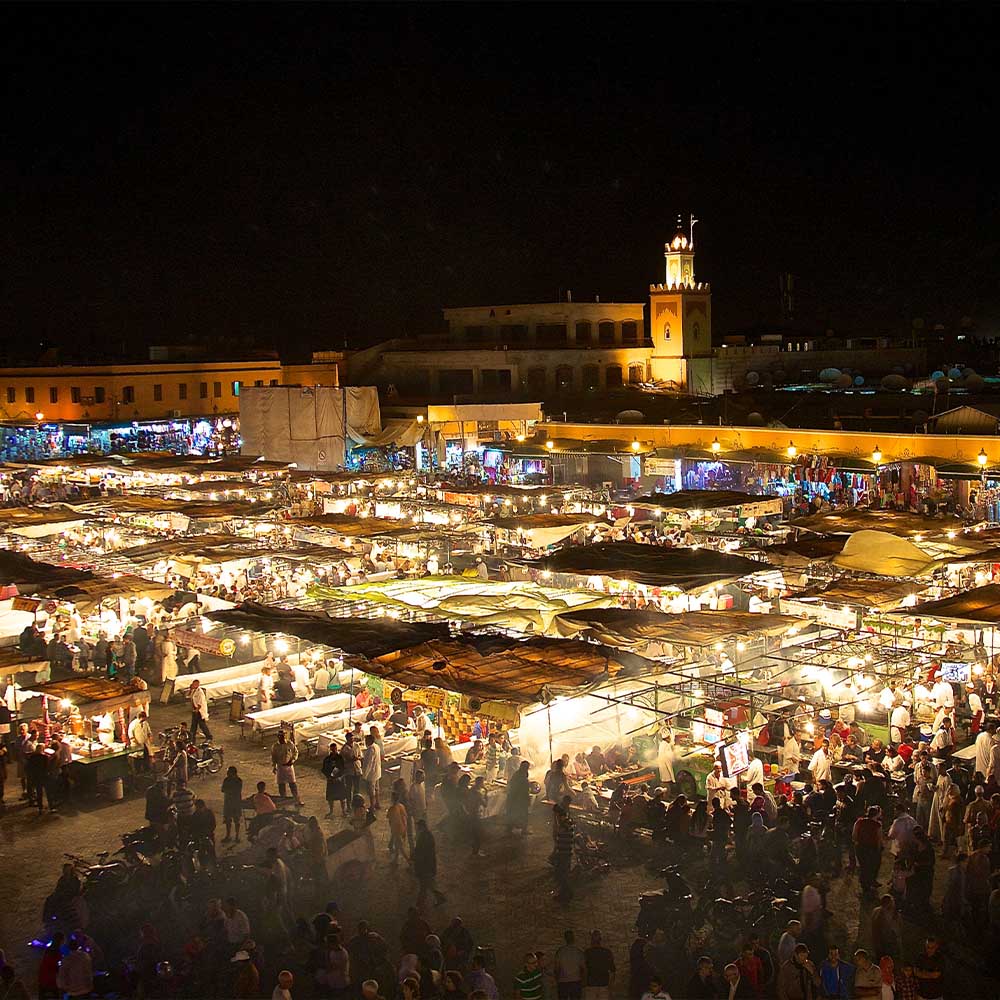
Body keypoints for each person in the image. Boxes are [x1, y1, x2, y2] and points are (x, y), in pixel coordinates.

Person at [413, 818, 445, 908]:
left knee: (424, 887)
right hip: (429, 865)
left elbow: (420, 853)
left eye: (418, 826)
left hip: (424, 867)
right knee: (429, 885)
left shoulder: (423, 837)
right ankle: (439, 898)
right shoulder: (428, 835)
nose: (417, 827)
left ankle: (418, 907)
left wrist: (416, 861)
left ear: (421, 827)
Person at [853, 806, 883, 894]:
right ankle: (870, 883)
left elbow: (854, 835)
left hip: (860, 848)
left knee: (863, 866)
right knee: (872, 866)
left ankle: (864, 885)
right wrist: (879, 850)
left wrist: (856, 843)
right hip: (871, 848)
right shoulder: (877, 825)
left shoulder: (859, 822)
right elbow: (879, 839)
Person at [271, 729, 302, 804]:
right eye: (281, 736)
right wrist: (274, 766)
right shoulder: (275, 746)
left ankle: (297, 800)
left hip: (289, 766)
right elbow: (273, 757)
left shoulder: (289, 744)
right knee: (281, 785)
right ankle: (283, 800)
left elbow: (296, 752)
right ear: (278, 736)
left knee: (293, 784)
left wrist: (293, 760)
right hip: (280, 767)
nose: (282, 737)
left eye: (284, 735)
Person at [554, 930, 586, 1000]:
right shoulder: (578, 951)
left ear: (565, 938)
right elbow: (584, 968)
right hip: (576, 981)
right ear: (573, 938)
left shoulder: (560, 952)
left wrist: (557, 980)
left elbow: (556, 969)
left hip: (563, 982)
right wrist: (583, 981)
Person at [583, 930, 615, 1000]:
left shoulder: (587, 952)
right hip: (603, 984)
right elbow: (612, 970)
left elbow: (584, 969)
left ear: (591, 940)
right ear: (601, 940)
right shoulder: (607, 952)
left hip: (591, 985)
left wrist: (584, 984)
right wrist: (610, 986)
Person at [870, 894, 902, 962]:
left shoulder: (876, 911)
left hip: (884, 943)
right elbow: (896, 930)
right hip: (884, 943)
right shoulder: (879, 913)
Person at [506, 759, 532, 835]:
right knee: (522, 814)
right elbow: (523, 788)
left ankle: (511, 828)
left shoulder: (518, 774)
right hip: (519, 798)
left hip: (515, 798)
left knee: (515, 813)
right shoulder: (520, 775)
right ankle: (523, 829)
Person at [221, 765, 244, 843]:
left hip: (232, 803)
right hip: (234, 802)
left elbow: (224, 790)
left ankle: (233, 836)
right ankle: (233, 836)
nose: (227, 773)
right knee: (231, 820)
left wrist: (229, 790)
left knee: (233, 820)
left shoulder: (228, 780)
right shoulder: (238, 780)